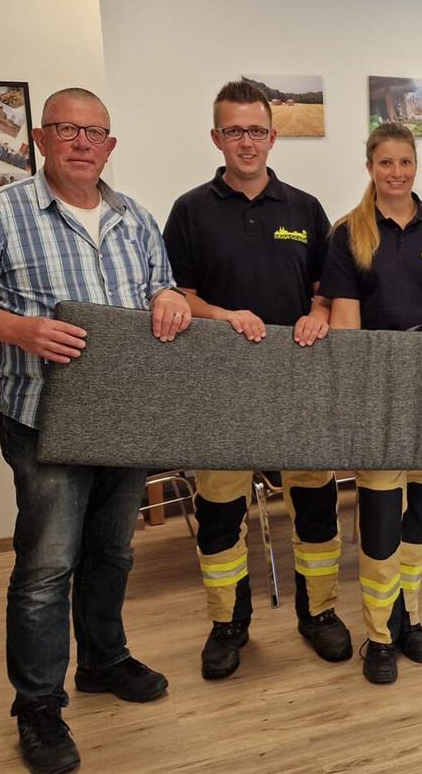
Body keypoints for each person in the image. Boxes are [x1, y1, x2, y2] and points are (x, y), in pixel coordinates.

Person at [0, 87, 191, 774]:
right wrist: (22, 329)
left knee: (113, 554)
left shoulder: (135, 217)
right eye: (68, 129)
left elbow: (162, 286)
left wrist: (167, 297)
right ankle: (38, 705)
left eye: (96, 131)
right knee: (46, 567)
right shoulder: (2, 212)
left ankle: (103, 661)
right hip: (42, 415)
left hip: (125, 417)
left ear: (110, 144)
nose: (83, 142)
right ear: (41, 139)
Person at [162, 80, 350, 679]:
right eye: (234, 130)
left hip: (298, 385)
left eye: (257, 130)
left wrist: (317, 315)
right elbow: (178, 298)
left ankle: (318, 613)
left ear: (273, 136)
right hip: (222, 386)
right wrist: (223, 316)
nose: (246, 141)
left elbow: (329, 292)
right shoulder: (190, 210)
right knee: (220, 514)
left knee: (317, 507)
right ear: (216, 137)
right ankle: (228, 625)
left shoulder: (306, 208)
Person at [318, 122, 422, 684]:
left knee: (420, 516)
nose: (397, 172)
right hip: (377, 393)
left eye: (405, 162)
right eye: (386, 163)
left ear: (415, 166)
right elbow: (346, 320)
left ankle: (409, 616)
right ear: (370, 168)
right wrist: (359, 393)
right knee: (381, 516)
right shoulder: (348, 233)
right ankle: (378, 634)